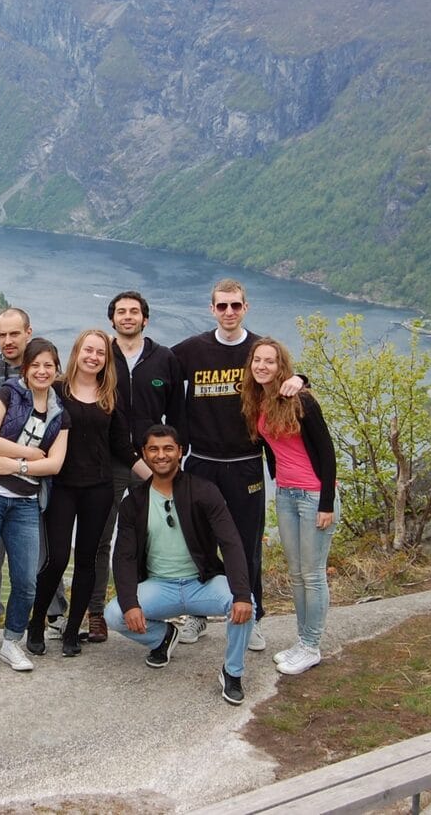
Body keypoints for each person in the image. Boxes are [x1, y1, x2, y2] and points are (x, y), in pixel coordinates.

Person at [172, 278, 303, 649]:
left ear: (246, 307)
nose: (229, 312)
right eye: (222, 306)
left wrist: (300, 378)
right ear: (211, 309)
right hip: (201, 461)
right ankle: (197, 614)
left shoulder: (259, 350)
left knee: (247, 545)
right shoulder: (192, 350)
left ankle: (252, 614)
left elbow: (289, 380)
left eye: (235, 306)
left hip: (245, 462)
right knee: (197, 541)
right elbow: (156, 371)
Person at [103, 424, 255, 705]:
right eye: (154, 449)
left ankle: (232, 673)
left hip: (202, 583)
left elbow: (231, 542)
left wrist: (242, 595)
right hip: (160, 587)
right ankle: (162, 636)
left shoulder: (203, 491)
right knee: (115, 614)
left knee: (246, 605)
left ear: (180, 452)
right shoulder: (134, 502)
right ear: (144, 455)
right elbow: (123, 556)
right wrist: (130, 602)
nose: (161, 455)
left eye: (168, 448)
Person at [0, 338, 70, 673]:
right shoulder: (7, 394)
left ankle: (12, 643)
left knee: (26, 580)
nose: (41, 371)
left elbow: (55, 465)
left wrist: (15, 466)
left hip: (24, 502)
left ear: (56, 370)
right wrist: (30, 455)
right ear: (26, 368)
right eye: (35, 365)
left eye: (48, 365)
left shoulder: (60, 413)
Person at [29, 329, 136, 657]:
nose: (94, 357)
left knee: (88, 559)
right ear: (77, 352)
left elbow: (122, 446)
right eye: (88, 350)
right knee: (57, 557)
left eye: (100, 353)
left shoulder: (109, 395)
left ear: (107, 360)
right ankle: (36, 625)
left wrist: (161, 477)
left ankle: (73, 630)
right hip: (61, 485)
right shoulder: (57, 389)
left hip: (99, 489)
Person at [242, 338, 337, 676]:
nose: (262, 366)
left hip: (314, 496)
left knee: (312, 575)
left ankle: (311, 646)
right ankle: (302, 642)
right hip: (286, 494)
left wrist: (326, 504)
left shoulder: (302, 401)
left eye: (270, 361)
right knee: (297, 574)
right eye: (257, 360)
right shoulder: (260, 401)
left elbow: (326, 453)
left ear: (281, 366)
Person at [89, 290, 179, 642]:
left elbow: (178, 413)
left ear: (145, 319)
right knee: (101, 539)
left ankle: (152, 611)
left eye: (134, 311)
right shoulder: (100, 357)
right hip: (107, 464)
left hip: (154, 463)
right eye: (121, 312)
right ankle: (97, 613)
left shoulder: (165, 359)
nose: (128, 316)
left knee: (156, 540)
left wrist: (171, 460)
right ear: (112, 320)